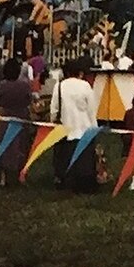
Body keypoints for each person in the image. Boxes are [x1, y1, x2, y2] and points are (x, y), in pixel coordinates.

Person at [50, 59, 99, 194]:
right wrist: (94, 128)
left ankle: (65, 182)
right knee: (85, 163)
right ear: (81, 73)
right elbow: (91, 109)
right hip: (84, 128)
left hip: (65, 129)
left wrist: (53, 121)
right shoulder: (85, 86)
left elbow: (54, 109)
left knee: (65, 159)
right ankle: (86, 185)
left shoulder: (59, 86)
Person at [0, 59, 33, 187]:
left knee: (5, 146)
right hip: (22, 117)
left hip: (6, 118)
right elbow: (29, 100)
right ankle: (21, 175)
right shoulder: (25, 85)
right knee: (22, 146)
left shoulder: (2, 85)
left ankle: (3, 177)